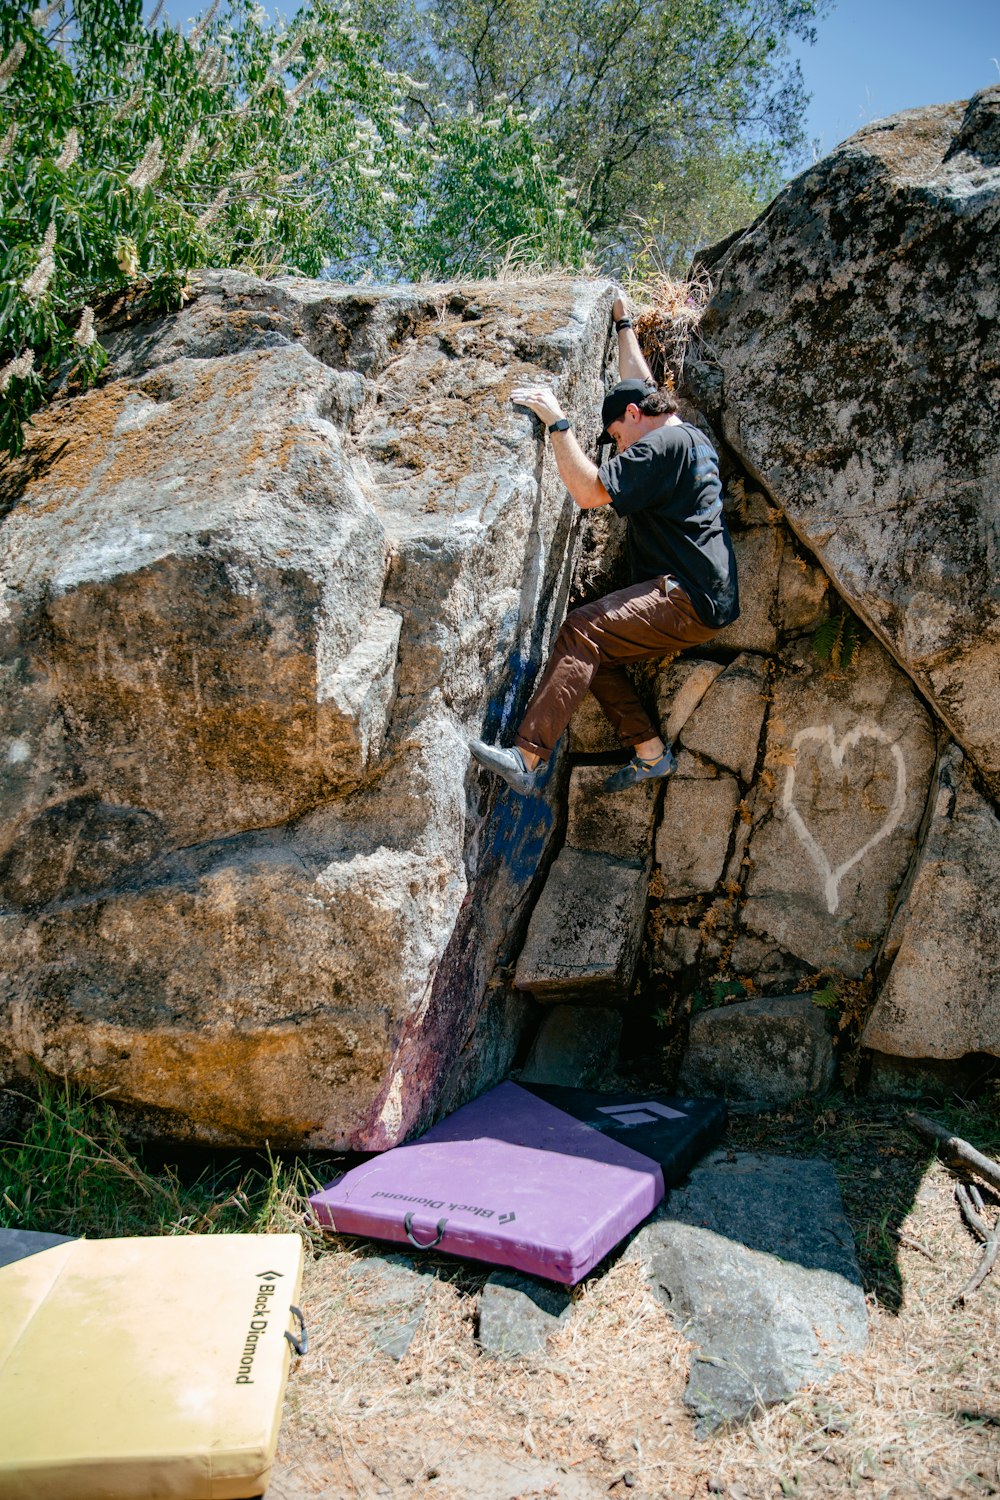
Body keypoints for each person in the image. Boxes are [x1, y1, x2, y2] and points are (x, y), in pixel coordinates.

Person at [470, 295, 739, 795]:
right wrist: (623, 322)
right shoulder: (690, 437)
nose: (620, 448)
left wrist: (558, 423)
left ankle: (527, 759)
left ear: (636, 416)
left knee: (582, 631)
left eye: (616, 436)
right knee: (597, 653)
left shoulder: (659, 444)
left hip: (685, 595)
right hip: (707, 600)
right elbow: (639, 384)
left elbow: (588, 491)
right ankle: (650, 753)